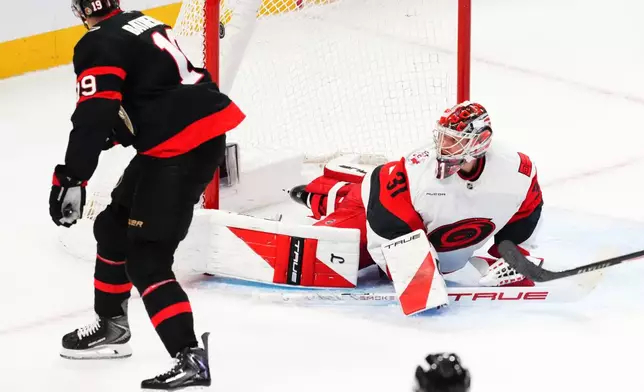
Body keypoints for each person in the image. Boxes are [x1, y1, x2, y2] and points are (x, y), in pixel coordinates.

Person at [49, 0, 245, 389]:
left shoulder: (95, 44)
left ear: (81, 11)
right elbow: (157, 87)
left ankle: (189, 357)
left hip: (179, 148)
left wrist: (71, 178)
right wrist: (122, 132)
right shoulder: (142, 22)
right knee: (112, 227)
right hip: (186, 136)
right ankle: (112, 327)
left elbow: (93, 115)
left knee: (147, 257)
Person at [289, 101, 544, 287]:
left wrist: (514, 255)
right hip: (374, 207)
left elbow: (526, 213)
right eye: (443, 137)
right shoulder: (419, 170)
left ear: (479, 141)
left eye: (453, 140)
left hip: (409, 215)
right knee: (322, 252)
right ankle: (314, 195)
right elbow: (386, 220)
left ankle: (326, 193)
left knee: (350, 198)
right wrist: (413, 267)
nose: (443, 146)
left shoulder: (517, 171)